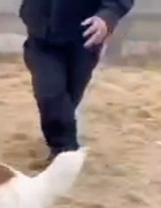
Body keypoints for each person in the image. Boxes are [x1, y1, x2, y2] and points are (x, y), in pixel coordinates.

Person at [19, 0, 134, 166]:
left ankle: (62, 137)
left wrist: (107, 17)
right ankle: (64, 152)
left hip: (85, 36)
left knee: (69, 96)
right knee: (50, 91)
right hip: (42, 34)